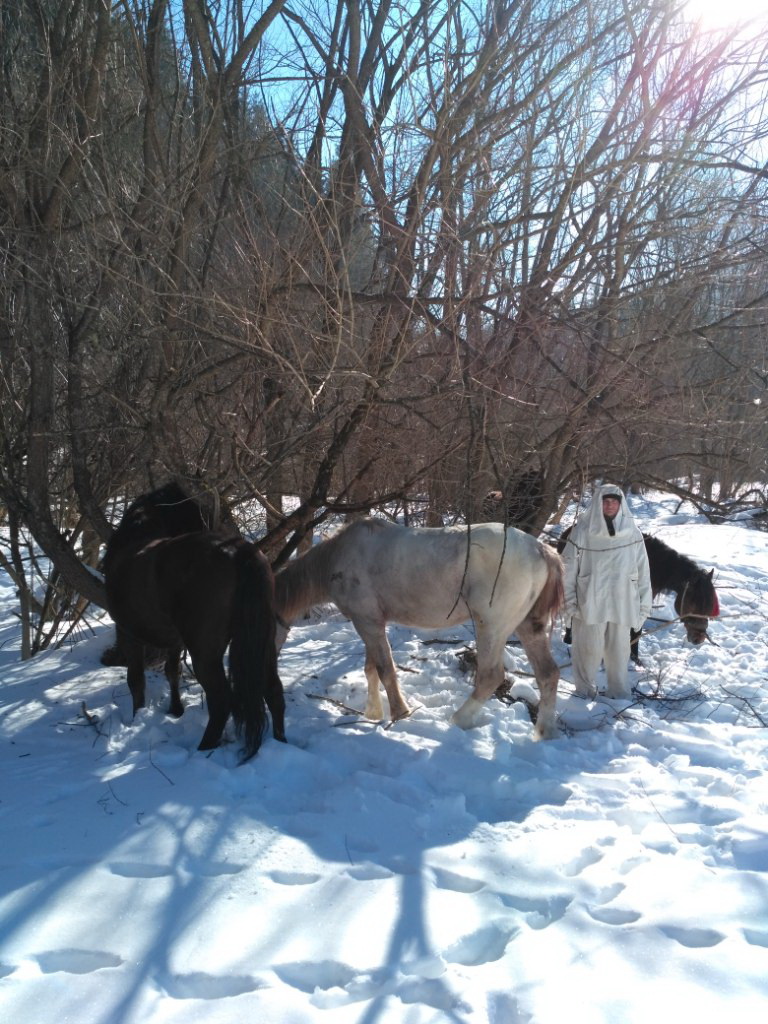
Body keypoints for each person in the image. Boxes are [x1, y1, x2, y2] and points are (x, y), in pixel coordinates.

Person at [562, 484, 652, 699]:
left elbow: (643, 573)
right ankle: (584, 693)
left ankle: (619, 694)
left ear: (621, 504)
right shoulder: (582, 532)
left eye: (614, 501)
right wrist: (569, 603)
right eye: (605, 500)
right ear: (597, 503)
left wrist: (643, 608)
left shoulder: (633, 534)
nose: (610, 505)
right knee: (587, 651)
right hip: (589, 603)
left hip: (622, 603)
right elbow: (567, 570)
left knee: (619, 653)